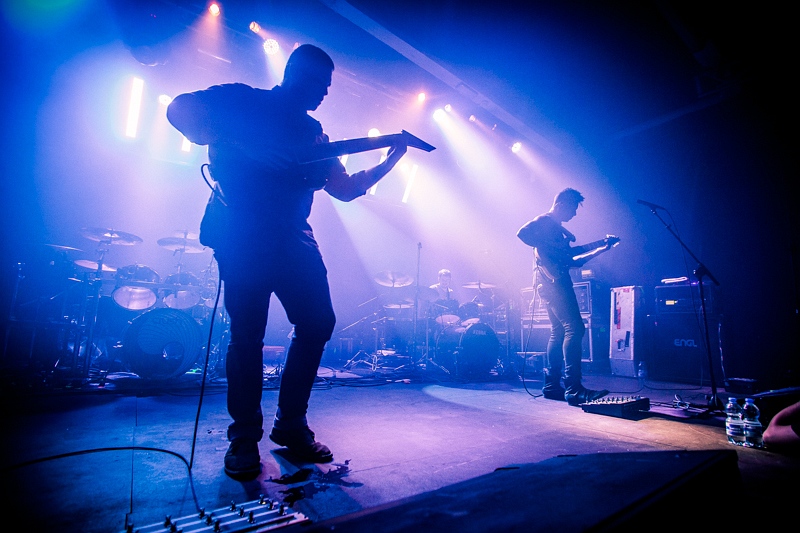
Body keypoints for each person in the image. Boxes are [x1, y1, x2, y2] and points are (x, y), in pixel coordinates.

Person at [166, 44, 407, 479]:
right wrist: (244, 145)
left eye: (329, 87)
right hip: (243, 233)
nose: (324, 94)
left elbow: (345, 188)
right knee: (247, 336)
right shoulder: (244, 99)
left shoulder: (314, 133)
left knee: (318, 322)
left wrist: (390, 160)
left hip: (294, 236)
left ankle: (290, 425)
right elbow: (179, 110)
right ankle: (243, 438)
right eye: (320, 84)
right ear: (296, 74)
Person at [516, 188, 618, 406]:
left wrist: (601, 245)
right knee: (575, 328)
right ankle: (574, 389)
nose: (574, 214)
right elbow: (523, 233)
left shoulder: (557, 231)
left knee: (559, 331)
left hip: (549, 283)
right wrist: (544, 247)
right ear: (561, 204)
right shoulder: (545, 221)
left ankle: (552, 386)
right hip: (555, 284)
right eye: (573, 208)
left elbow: (572, 256)